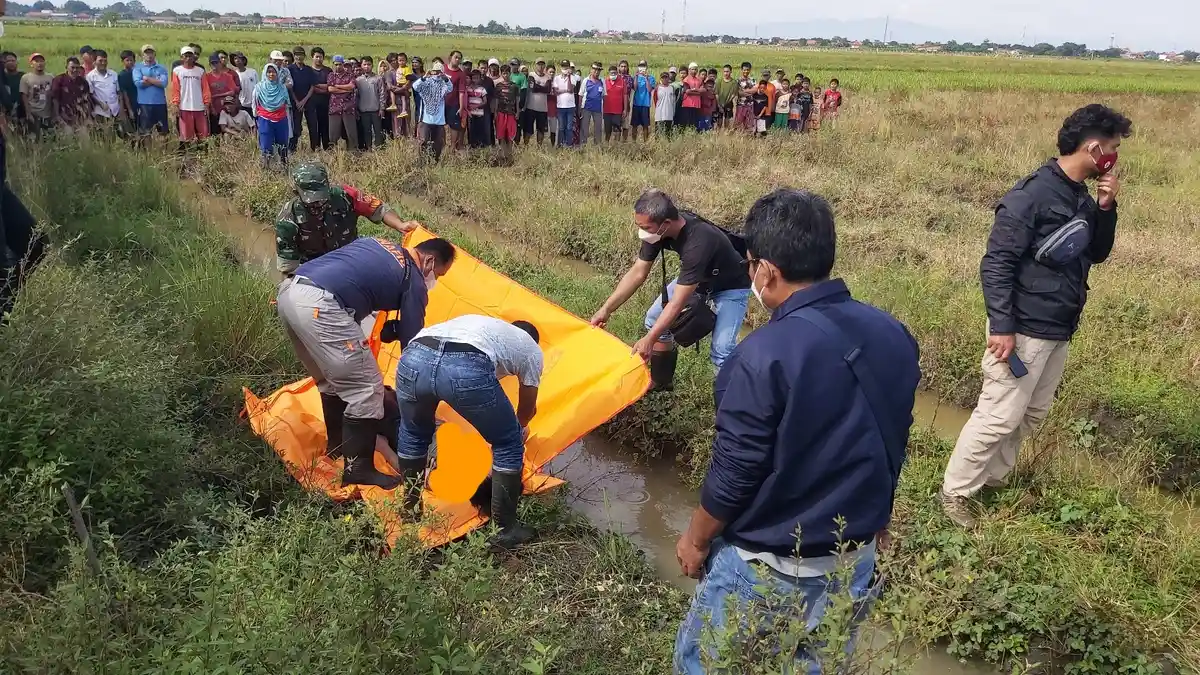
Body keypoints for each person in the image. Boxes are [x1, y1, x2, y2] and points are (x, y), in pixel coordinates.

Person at [672, 188, 921, 675]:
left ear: (765, 270)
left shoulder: (761, 355)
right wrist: (879, 516)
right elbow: (893, 434)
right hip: (853, 559)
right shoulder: (893, 333)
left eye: (750, 265)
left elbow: (735, 472)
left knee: (707, 664)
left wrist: (696, 541)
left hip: (770, 567)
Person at [941, 104, 1131, 527]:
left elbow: (1097, 253)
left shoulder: (1080, 195)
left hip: (1058, 327)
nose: (1115, 156)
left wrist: (1106, 207)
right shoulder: (1031, 195)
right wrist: (1002, 326)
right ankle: (955, 493)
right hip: (1022, 328)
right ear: (1093, 147)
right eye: (1113, 148)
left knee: (1030, 414)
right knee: (998, 415)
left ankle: (992, 482)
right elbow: (997, 263)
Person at [276, 235, 456, 490]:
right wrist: (418, 393)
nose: (433, 280)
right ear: (429, 261)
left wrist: (394, 330)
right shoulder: (414, 279)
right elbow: (412, 344)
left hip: (290, 293)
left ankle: (338, 447)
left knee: (331, 381)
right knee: (367, 389)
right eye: (438, 274)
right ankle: (359, 469)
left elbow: (356, 289)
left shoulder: (380, 245)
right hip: (322, 306)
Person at [392, 315, 542, 546]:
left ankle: (410, 511)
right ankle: (505, 530)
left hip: (414, 356)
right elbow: (527, 408)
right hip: (464, 364)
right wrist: (519, 427)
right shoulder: (530, 348)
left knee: (413, 434)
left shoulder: (484, 328)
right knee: (508, 443)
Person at [590, 189, 751, 390]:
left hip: (731, 286)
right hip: (698, 279)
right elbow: (638, 272)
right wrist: (606, 309)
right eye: (639, 226)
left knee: (722, 349)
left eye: (645, 228)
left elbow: (676, 303)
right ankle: (661, 383)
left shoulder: (699, 240)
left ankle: (730, 403)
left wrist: (649, 339)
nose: (642, 233)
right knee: (654, 319)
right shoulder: (655, 233)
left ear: (665, 224)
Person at [275, 161, 417, 275]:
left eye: (322, 198)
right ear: (296, 193)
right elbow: (289, 269)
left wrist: (400, 225)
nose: (318, 204)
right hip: (314, 269)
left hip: (351, 255)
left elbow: (378, 209)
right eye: (312, 201)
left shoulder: (345, 196)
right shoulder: (287, 220)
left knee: (391, 264)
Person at [413, 59, 454, 161]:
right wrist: (424, 77)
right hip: (425, 119)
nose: (437, 74)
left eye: (439, 72)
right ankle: (422, 161)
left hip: (439, 121)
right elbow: (415, 86)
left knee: (439, 143)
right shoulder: (426, 81)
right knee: (423, 141)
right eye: (435, 71)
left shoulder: (443, 84)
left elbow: (450, 88)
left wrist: (445, 79)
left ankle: (435, 162)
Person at [170, 45, 211, 147]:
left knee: (203, 135)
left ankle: (203, 154)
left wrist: (206, 104)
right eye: (186, 56)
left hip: (199, 107)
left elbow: (205, 89)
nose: (188, 58)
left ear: (193, 57)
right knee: (185, 136)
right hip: (184, 107)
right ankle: (186, 154)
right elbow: (175, 89)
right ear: (182, 57)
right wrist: (175, 104)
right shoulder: (177, 71)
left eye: (190, 56)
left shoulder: (200, 71)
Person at [254, 63, 290, 167]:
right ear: (265, 73)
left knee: (283, 144)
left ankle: (284, 166)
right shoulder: (259, 88)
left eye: (273, 72)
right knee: (266, 144)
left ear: (277, 73)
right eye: (269, 72)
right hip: (265, 119)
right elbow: (255, 104)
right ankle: (266, 168)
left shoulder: (282, 87)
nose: (271, 74)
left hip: (281, 119)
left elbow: (286, 104)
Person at [325, 55, 359, 151]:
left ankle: (353, 152)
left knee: (351, 133)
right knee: (333, 133)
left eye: (340, 64)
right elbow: (330, 89)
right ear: (333, 64)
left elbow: (351, 87)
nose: (338, 66)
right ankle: (335, 154)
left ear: (343, 64)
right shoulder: (331, 75)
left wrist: (337, 86)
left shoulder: (350, 75)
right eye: (336, 64)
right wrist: (345, 89)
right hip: (335, 108)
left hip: (348, 108)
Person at [51, 57, 93, 132]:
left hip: (80, 118)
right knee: (68, 136)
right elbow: (55, 99)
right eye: (72, 67)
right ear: (66, 67)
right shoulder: (59, 80)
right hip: (64, 117)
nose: (75, 70)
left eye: (77, 68)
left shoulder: (83, 82)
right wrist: (57, 116)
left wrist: (88, 117)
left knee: (84, 136)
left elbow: (87, 100)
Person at [205, 53, 240, 136]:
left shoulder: (227, 76)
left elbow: (232, 92)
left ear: (220, 63)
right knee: (215, 133)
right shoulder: (207, 77)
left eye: (216, 63)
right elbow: (206, 94)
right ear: (209, 64)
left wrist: (216, 96)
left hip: (226, 109)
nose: (214, 65)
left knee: (227, 132)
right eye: (212, 63)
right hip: (213, 109)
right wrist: (211, 107)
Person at [85, 49, 122, 128]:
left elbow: (118, 92)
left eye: (105, 60)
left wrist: (121, 108)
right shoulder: (90, 76)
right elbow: (90, 95)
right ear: (94, 62)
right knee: (105, 132)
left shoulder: (113, 74)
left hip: (115, 111)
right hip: (101, 112)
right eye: (100, 61)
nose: (103, 63)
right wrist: (100, 103)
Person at [356, 56, 386, 149]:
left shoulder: (378, 78)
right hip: (363, 110)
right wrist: (357, 109)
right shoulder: (358, 80)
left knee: (378, 131)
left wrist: (382, 108)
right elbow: (356, 96)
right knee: (366, 131)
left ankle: (378, 148)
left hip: (376, 110)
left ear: (372, 65)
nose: (366, 66)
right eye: (364, 64)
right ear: (361, 66)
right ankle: (369, 148)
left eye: (369, 64)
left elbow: (382, 94)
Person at [521, 57, 550, 145]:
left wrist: (537, 86)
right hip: (531, 107)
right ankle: (526, 146)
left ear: (544, 66)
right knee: (528, 129)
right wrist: (542, 88)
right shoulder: (531, 75)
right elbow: (532, 88)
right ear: (535, 65)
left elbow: (548, 90)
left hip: (543, 108)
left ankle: (539, 147)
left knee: (541, 130)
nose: (541, 66)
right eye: (539, 64)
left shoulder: (548, 77)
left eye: (542, 64)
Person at [444, 50, 468, 151]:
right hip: (441, 103)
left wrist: (461, 107)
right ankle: (442, 146)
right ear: (450, 58)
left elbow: (461, 92)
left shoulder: (461, 74)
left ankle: (453, 147)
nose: (457, 60)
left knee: (454, 127)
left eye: (459, 58)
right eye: (456, 57)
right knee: (441, 126)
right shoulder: (443, 69)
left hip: (454, 104)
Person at [493, 64, 520, 151]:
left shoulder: (514, 86)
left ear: (510, 73)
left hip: (511, 113)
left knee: (511, 134)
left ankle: (509, 152)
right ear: (501, 74)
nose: (505, 75)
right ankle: (502, 152)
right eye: (504, 73)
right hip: (501, 112)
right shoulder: (498, 86)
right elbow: (496, 100)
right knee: (501, 133)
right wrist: (495, 112)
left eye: (507, 73)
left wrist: (518, 112)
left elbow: (517, 100)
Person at [577, 62, 605, 146]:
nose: (596, 72)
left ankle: (597, 146)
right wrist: (579, 109)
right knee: (584, 128)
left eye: (598, 70)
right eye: (595, 69)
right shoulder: (586, 80)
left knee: (598, 129)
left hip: (598, 109)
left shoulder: (602, 81)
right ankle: (583, 145)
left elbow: (604, 96)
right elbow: (580, 95)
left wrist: (604, 109)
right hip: (586, 108)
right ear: (591, 69)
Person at [309, 47, 331, 148]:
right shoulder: (308, 71)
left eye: (320, 57)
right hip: (312, 104)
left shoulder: (328, 71)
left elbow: (330, 86)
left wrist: (316, 86)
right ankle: (315, 148)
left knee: (325, 126)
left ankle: (327, 148)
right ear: (312, 57)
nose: (319, 59)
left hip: (326, 103)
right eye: (316, 57)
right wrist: (324, 87)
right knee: (314, 127)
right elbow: (308, 86)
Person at [552, 60, 577, 147]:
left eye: (566, 66)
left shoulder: (572, 78)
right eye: (563, 66)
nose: (565, 68)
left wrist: (569, 76)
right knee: (561, 127)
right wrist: (565, 90)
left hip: (570, 106)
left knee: (569, 127)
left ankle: (568, 144)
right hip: (560, 106)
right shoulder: (557, 78)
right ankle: (560, 144)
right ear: (561, 67)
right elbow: (556, 92)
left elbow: (571, 89)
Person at [629, 60, 654, 142]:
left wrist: (646, 78)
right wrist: (636, 76)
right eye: (640, 66)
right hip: (636, 104)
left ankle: (645, 142)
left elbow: (649, 89)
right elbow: (635, 88)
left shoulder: (651, 78)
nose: (642, 68)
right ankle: (633, 142)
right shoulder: (635, 77)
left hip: (645, 104)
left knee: (645, 125)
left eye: (644, 66)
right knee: (634, 125)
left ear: (646, 67)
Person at [602, 64, 627, 142]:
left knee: (617, 131)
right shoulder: (604, 82)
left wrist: (625, 109)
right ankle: (606, 145)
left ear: (617, 73)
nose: (613, 74)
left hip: (617, 111)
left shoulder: (622, 82)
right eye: (611, 73)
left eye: (615, 73)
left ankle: (616, 146)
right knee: (607, 131)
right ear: (608, 73)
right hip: (607, 111)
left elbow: (625, 96)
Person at [465, 69, 489, 149]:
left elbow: (485, 101)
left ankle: (480, 145)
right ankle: (472, 145)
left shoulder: (482, 89)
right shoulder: (468, 89)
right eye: (473, 78)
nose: (475, 80)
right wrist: (468, 108)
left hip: (479, 113)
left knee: (480, 129)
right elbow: (466, 100)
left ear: (480, 79)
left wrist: (477, 106)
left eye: (477, 78)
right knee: (471, 130)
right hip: (470, 113)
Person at [231, 52, 257, 118]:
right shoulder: (234, 75)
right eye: (235, 58)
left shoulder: (252, 72)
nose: (237, 60)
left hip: (254, 103)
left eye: (239, 58)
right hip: (242, 104)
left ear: (244, 60)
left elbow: (257, 86)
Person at [679, 63, 703, 132]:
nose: (694, 71)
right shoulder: (686, 80)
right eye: (692, 69)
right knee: (687, 122)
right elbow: (687, 91)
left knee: (695, 123)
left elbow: (702, 91)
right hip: (687, 104)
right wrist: (698, 92)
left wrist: (694, 90)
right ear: (689, 70)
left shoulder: (699, 80)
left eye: (695, 69)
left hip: (696, 104)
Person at [734, 62, 756, 133]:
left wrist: (744, 91)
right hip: (741, 105)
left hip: (750, 105)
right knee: (738, 123)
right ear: (741, 70)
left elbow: (755, 91)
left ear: (750, 70)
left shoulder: (753, 80)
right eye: (744, 70)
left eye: (748, 70)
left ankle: (747, 137)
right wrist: (749, 92)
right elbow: (739, 93)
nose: (746, 71)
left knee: (749, 124)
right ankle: (738, 137)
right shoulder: (738, 80)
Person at [714, 64, 736, 130]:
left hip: (728, 103)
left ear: (731, 72)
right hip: (719, 103)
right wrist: (719, 105)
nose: (726, 73)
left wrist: (726, 103)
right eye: (724, 71)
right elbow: (716, 94)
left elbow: (733, 94)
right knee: (719, 121)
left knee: (727, 120)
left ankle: (726, 134)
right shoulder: (719, 81)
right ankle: (718, 135)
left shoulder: (734, 82)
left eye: (727, 71)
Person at [653, 73, 675, 137]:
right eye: (663, 78)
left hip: (669, 114)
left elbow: (673, 101)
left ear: (668, 78)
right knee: (658, 133)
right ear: (660, 79)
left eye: (666, 77)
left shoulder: (671, 88)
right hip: (659, 114)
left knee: (669, 134)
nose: (664, 79)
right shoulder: (657, 88)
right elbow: (655, 100)